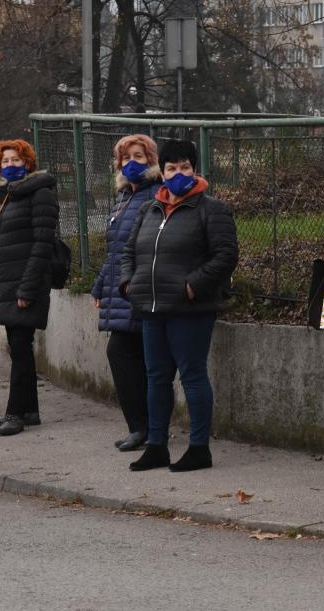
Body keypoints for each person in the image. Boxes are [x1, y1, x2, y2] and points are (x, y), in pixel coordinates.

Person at [119, 139, 238, 472]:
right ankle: (157, 446)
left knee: (192, 376)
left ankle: (199, 449)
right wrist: (128, 283)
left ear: (195, 169)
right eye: (171, 168)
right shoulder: (149, 209)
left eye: (185, 167)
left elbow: (225, 256)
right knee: (156, 378)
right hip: (152, 308)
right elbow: (129, 251)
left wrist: (191, 286)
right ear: (162, 172)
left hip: (190, 310)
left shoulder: (211, 209)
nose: (178, 173)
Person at [0, 139, 58, 437]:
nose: (10, 165)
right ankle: (30, 410)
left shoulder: (41, 193)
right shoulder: (5, 195)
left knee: (21, 347)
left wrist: (27, 289)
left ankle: (15, 413)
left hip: (26, 285)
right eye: (5, 161)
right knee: (18, 347)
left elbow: (43, 245)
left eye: (16, 160)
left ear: (28, 163)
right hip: (6, 284)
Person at [91, 134, 163, 452]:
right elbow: (115, 250)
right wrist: (100, 285)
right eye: (125, 157)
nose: (131, 163)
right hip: (120, 287)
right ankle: (142, 427)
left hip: (140, 287)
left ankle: (143, 427)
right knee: (129, 355)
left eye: (138, 156)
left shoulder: (155, 194)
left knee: (123, 353)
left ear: (151, 160)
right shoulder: (123, 197)